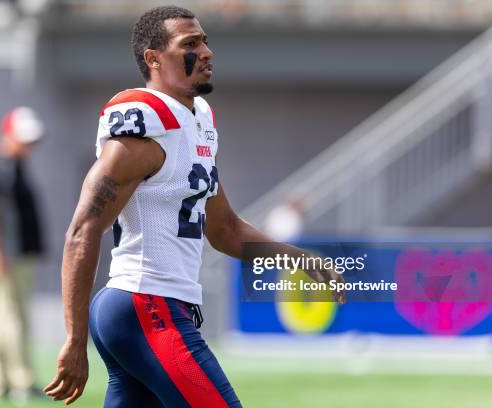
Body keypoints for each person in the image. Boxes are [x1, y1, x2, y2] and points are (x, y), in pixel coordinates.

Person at [44, 6, 345, 407]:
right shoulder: (144, 124)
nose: (206, 52)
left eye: (204, 41)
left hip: (152, 308)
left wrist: (301, 261)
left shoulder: (197, 119)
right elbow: (82, 230)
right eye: (190, 44)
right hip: (145, 302)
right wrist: (74, 338)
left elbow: (225, 230)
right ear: (153, 58)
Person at [0, 106, 45, 404]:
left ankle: (0, 380)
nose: (29, 145)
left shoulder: (14, 164)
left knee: (0, 318)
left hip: (14, 254)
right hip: (9, 254)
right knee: (13, 318)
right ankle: (20, 380)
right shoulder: (0, 165)